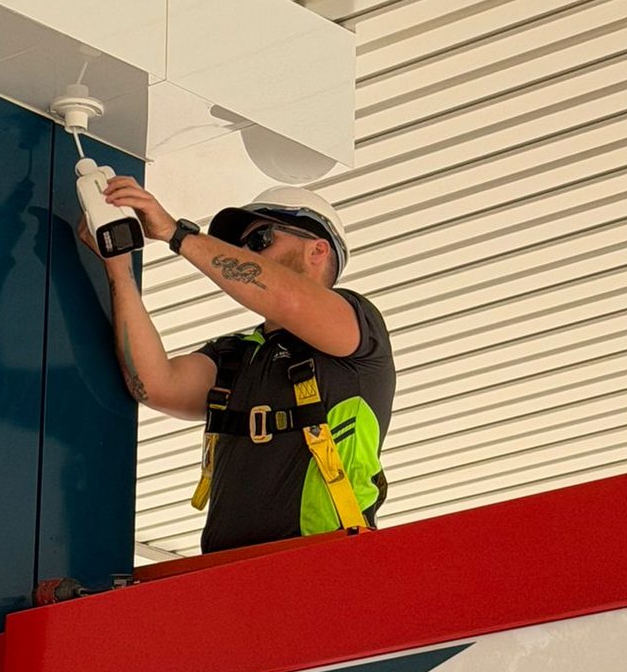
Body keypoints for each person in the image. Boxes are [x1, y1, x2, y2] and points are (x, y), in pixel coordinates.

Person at [79, 176, 394, 554]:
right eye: (240, 246)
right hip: (227, 576)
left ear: (317, 250)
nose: (246, 251)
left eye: (260, 239)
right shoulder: (236, 355)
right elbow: (155, 384)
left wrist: (176, 234)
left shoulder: (358, 328)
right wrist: (118, 268)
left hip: (325, 563)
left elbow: (288, 301)